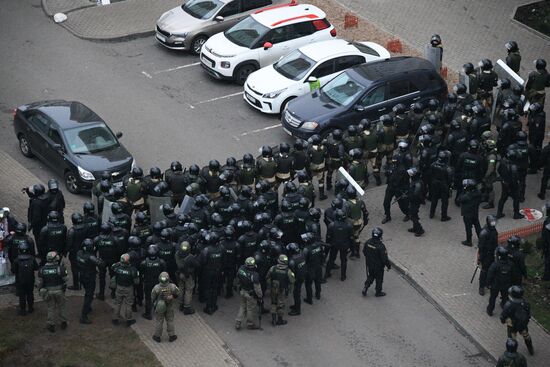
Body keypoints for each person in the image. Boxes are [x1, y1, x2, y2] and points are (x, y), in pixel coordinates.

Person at [37, 251, 68, 332]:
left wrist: (40, 290)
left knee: (50, 308)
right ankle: (63, 322)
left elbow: (40, 282)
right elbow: (66, 279)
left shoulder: (42, 270)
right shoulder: (60, 268)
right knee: (62, 307)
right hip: (60, 291)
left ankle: (51, 324)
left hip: (48, 291)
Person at [500, 286, 534, 355]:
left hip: (512, 325)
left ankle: (511, 353)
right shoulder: (526, 303)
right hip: (522, 325)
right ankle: (531, 349)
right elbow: (528, 314)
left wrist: (503, 320)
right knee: (526, 336)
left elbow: (503, 315)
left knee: (512, 340)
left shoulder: (509, 304)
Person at [77, 238, 104, 324]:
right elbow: (101, 264)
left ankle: (88, 308)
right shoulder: (91, 257)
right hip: (89, 277)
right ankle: (83, 315)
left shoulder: (79, 253)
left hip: (81, 276)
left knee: (87, 292)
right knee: (89, 295)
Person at [151, 271, 181, 343]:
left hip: (159, 307)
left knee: (159, 321)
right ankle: (172, 336)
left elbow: (152, 298)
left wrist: (155, 304)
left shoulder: (156, 288)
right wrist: (172, 296)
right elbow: (178, 293)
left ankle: (157, 336)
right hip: (169, 306)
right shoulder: (172, 286)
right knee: (170, 321)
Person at [199, 231, 224, 315]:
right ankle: (214, 305)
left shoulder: (206, 250)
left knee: (208, 289)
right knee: (215, 289)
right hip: (218, 271)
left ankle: (208, 307)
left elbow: (202, 262)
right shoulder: (222, 248)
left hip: (208, 272)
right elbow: (223, 260)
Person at [266, 254, 295, 326]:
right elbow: (292, 281)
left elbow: (267, 278)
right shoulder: (288, 271)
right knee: (281, 305)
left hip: (273, 289)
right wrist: (290, 290)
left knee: (273, 303)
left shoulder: (273, 268)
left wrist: (271, 285)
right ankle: (280, 320)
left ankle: (273, 320)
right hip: (282, 290)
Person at [111, 253, 139, 326]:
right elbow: (137, 282)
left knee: (117, 303)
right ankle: (129, 320)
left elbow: (112, 267)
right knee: (128, 305)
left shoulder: (116, 267)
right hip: (128, 288)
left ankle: (115, 319)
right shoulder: (133, 270)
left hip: (119, 287)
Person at [325, 209, 354, 281]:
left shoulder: (332, 225)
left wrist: (328, 245)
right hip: (344, 245)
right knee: (343, 260)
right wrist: (352, 247)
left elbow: (328, 236)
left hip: (334, 244)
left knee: (331, 259)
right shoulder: (349, 226)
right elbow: (351, 238)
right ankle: (343, 276)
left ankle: (327, 273)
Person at [362, 227, 391, 297]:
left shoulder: (367, 242)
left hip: (370, 264)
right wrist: (388, 266)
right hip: (378, 267)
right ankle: (378, 292)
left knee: (371, 275)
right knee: (379, 279)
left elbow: (364, 252)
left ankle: (366, 286)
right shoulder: (381, 246)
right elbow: (384, 259)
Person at [235, 257, 263, 330]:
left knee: (242, 306)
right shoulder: (255, 274)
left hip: (242, 291)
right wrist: (260, 296)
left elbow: (237, 278)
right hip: (250, 294)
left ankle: (238, 322)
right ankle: (250, 324)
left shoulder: (241, 269)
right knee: (250, 309)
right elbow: (257, 288)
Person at [12, 240, 38, 315]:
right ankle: (30, 308)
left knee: (22, 295)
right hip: (30, 280)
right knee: (30, 294)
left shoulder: (17, 260)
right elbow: (36, 268)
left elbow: (13, 270)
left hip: (20, 281)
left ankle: (23, 310)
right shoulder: (32, 259)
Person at [487, 247, 515, 316]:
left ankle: (490, 310)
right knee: (505, 298)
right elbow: (513, 275)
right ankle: (504, 310)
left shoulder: (495, 265)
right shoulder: (511, 264)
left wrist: (488, 283)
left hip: (495, 285)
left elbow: (490, 275)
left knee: (493, 298)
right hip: (506, 285)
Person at [140, 245, 166, 320]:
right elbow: (164, 273)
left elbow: (141, 273)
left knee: (148, 298)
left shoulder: (144, 263)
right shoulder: (161, 262)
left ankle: (148, 314)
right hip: (158, 283)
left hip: (148, 283)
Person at [496, 149, 522, 219]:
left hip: (504, 183)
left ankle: (499, 213)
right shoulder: (513, 167)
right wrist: (516, 187)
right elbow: (514, 179)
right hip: (511, 185)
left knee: (502, 198)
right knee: (516, 199)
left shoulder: (502, 162)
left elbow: (498, 170)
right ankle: (516, 214)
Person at [95, 223, 117, 300]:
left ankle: (101, 294)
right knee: (113, 276)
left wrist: (96, 260)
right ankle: (113, 293)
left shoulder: (97, 239)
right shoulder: (114, 239)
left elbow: (94, 250)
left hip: (102, 260)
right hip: (112, 260)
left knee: (102, 278)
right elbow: (118, 250)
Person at [175, 241, 198, 315]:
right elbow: (196, 265)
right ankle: (187, 307)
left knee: (181, 288)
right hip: (188, 276)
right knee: (188, 290)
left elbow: (179, 265)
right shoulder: (190, 257)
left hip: (180, 274)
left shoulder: (177, 254)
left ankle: (181, 304)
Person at [66, 212, 88, 290]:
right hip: (84, 251)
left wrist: (66, 251)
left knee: (75, 269)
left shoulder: (72, 231)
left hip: (74, 252)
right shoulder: (86, 227)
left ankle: (76, 285)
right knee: (82, 267)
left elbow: (69, 243)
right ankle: (82, 281)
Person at [477, 215, 498, 296]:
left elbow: (495, 242)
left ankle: (488, 282)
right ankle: (481, 286)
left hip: (492, 253)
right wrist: (480, 258)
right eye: (492, 222)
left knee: (491, 269)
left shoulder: (493, 230)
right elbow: (481, 247)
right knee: (484, 271)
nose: (494, 223)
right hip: (486, 255)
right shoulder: (484, 233)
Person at [429, 151, 453, 221]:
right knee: (444, 201)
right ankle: (443, 216)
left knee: (434, 199)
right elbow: (450, 179)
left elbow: (431, 174)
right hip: (444, 185)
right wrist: (449, 186)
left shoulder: (433, 164)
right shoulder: (447, 168)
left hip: (435, 183)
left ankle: (431, 213)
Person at [346, 186, 369, 259]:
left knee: (352, 237)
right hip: (359, 222)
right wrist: (365, 221)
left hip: (351, 223)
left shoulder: (347, 204)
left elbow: (346, 215)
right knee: (356, 236)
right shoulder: (360, 201)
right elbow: (365, 212)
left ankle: (354, 252)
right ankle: (357, 252)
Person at [457, 179, 482, 247]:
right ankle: (482, 239)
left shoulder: (467, 196)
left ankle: (469, 241)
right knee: (477, 226)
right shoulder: (478, 192)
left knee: (468, 228)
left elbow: (459, 199)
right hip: (475, 212)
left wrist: (463, 191)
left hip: (467, 214)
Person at [301, 232, 323, 304]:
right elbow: (322, 255)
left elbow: (303, 260)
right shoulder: (319, 245)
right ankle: (318, 295)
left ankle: (309, 299)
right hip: (318, 266)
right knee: (318, 281)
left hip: (310, 269)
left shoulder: (306, 249)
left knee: (308, 284)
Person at [287, 243, 306, 316]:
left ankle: (297, 310)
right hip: (302, 275)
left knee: (296, 294)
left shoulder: (292, 261)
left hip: (297, 278)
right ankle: (296, 306)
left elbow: (291, 272)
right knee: (297, 293)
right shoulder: (302, 254)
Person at [407, 168, 425, 237]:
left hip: (415, 202)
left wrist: (408, 196)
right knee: (413, 214)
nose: (410, 176)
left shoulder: (418, 184)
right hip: (413, 201)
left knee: (413, 215)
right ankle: (415, 228)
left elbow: (416, 195)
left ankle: (419, 229)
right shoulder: (415, 181)